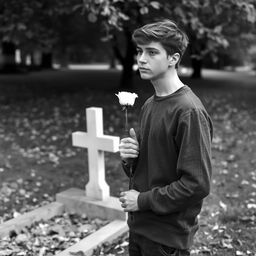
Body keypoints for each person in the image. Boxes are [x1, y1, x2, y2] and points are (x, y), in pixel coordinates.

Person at [118, 19, 213, 256]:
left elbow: (196, 184)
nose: (141, 59)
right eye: (140, 51)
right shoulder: (150, 104)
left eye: (151, 52)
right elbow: (146, 169)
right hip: (139, 228)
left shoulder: (188, 112)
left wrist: (142, 201)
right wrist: (130, 160)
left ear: (173, 58)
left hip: (166, 239)